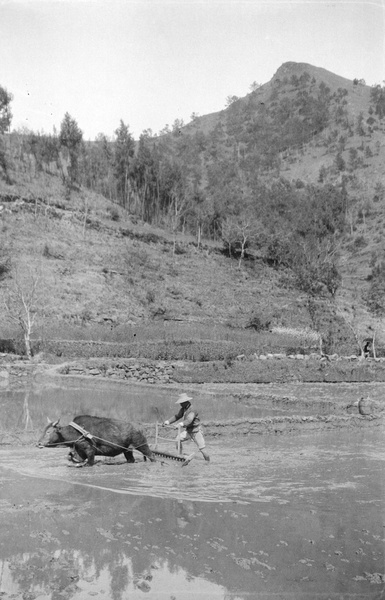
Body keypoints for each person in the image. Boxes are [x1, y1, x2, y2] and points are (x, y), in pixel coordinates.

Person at [163, 393, 210, 462]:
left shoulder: (192, 409)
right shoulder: (183, 409)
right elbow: (177, 416)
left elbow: (189, 420)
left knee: (202, 449)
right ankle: (180, 456)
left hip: (196, 431)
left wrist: (181, 424)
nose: (180, 404)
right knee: (178, 439)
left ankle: (208, 462)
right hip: (188, 431)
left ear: (186, 402)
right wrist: (168, 421)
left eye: (181, 403)